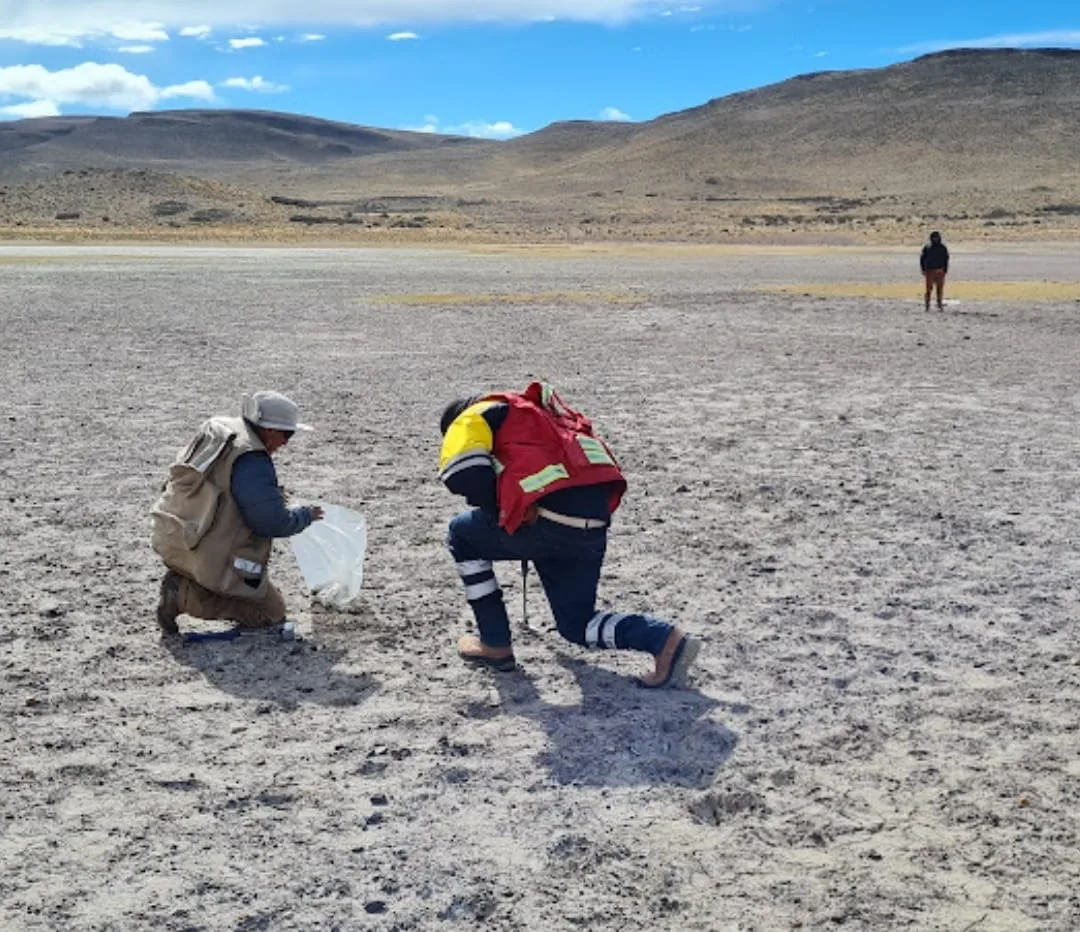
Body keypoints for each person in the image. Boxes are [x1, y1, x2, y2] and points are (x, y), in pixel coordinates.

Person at [438, 381, 700, 689]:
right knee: (576, 625)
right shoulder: (538, 412)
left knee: (462, 534)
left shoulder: (471, 417)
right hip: (592, 522)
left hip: (549, 522)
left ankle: (494, 642)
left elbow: (463, 474)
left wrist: (505, 510)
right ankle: (665, 639)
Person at [150, 390, 324, 637]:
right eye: (287, 434)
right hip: (209, 549)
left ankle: (187, 580)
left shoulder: (219, 429)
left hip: (179, 533)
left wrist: (270, 497)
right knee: (270, 613)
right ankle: (183, 597)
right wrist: (305, 516)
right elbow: (270, 523)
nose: (286, 443)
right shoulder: (253, 459)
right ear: (269, 430)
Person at [920, 231, 950, 311]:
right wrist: (923, 269)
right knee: (929, 289)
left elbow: (946, 259)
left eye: (937, 237)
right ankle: (927, 305)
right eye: (934, 238)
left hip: (940, 271)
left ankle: (939, 304)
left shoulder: (943, 248)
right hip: (929, 271)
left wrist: (945, 270)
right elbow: (922, 259)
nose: (935, 239)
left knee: (939, 289)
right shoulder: (927, 247)